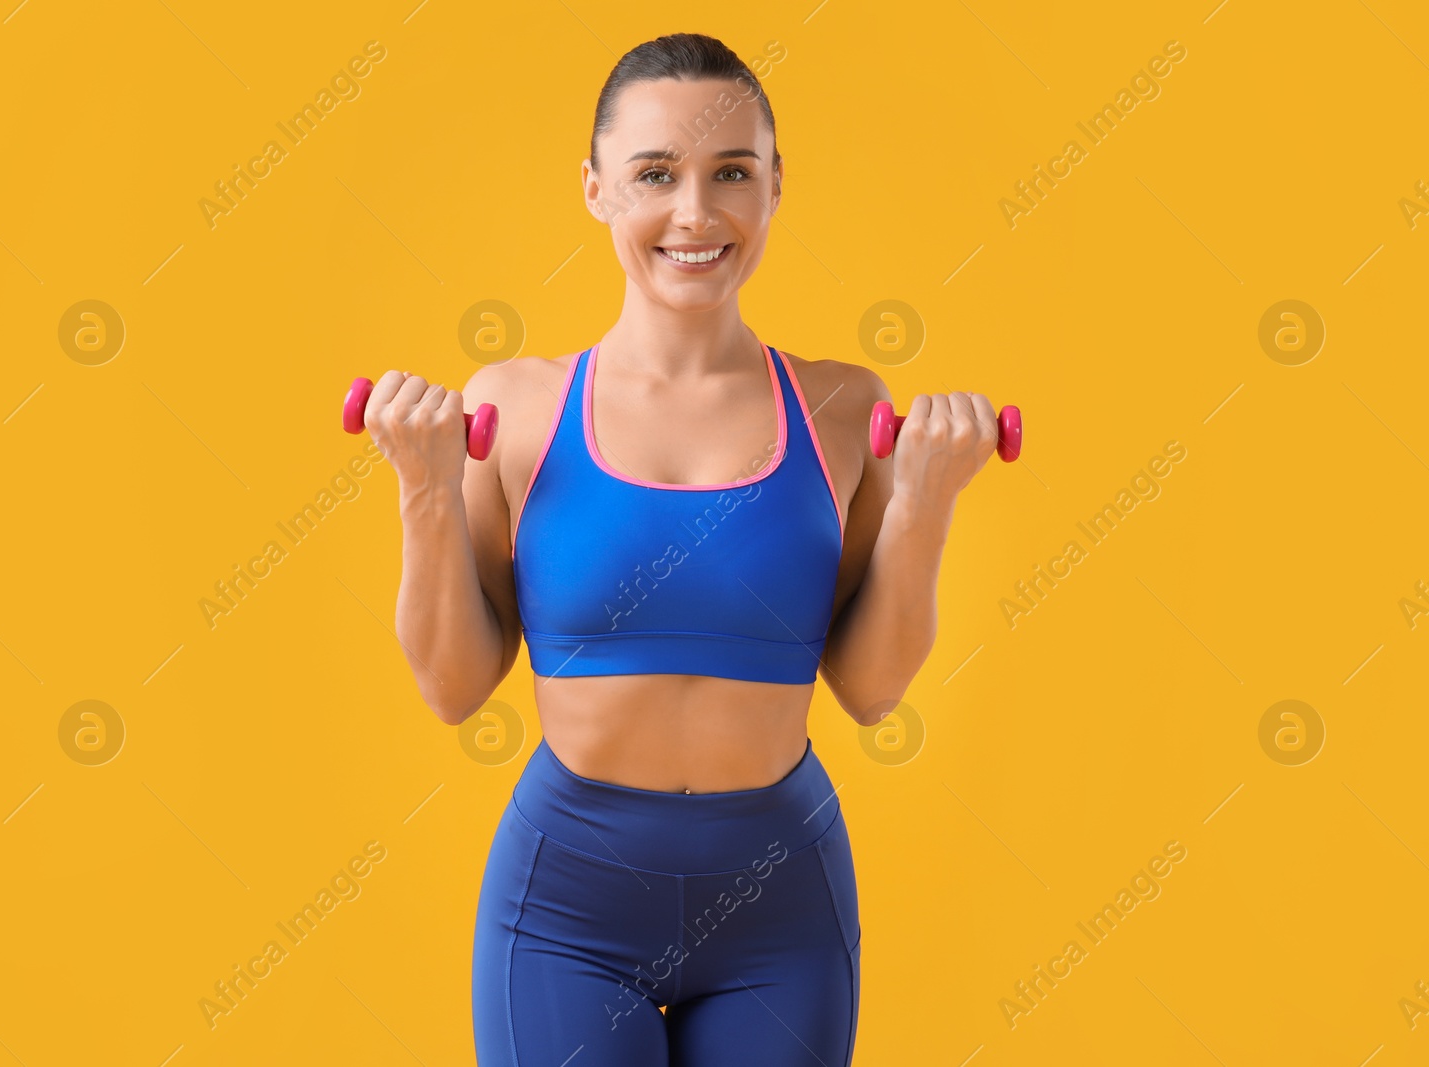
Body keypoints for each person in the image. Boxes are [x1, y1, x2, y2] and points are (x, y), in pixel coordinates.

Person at [362, 31, 999, 1067]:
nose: (695, 214)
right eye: (655, 174)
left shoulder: (844, 409)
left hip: (780, 910)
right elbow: (451, 684)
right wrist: (424, 484)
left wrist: (925, 498)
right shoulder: (513, 409)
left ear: (775, 185)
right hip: (565, 914)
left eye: (731, 173)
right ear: (596, 188)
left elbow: (871, 688)